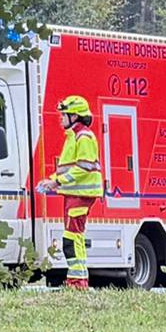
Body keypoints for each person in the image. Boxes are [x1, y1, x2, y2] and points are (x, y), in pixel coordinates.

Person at [38, 95, 104, 289]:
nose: (60, 118)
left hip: (80, 195)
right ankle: (79, 281)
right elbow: (68, 168)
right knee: (75, 237)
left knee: (71, 238)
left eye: (64, 114)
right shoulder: (76, 136)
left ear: (74, 116)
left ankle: (77, 283)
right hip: (74, 194)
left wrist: (56, 182)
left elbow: (84, 167)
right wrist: (51, 180)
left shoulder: (83, 137)